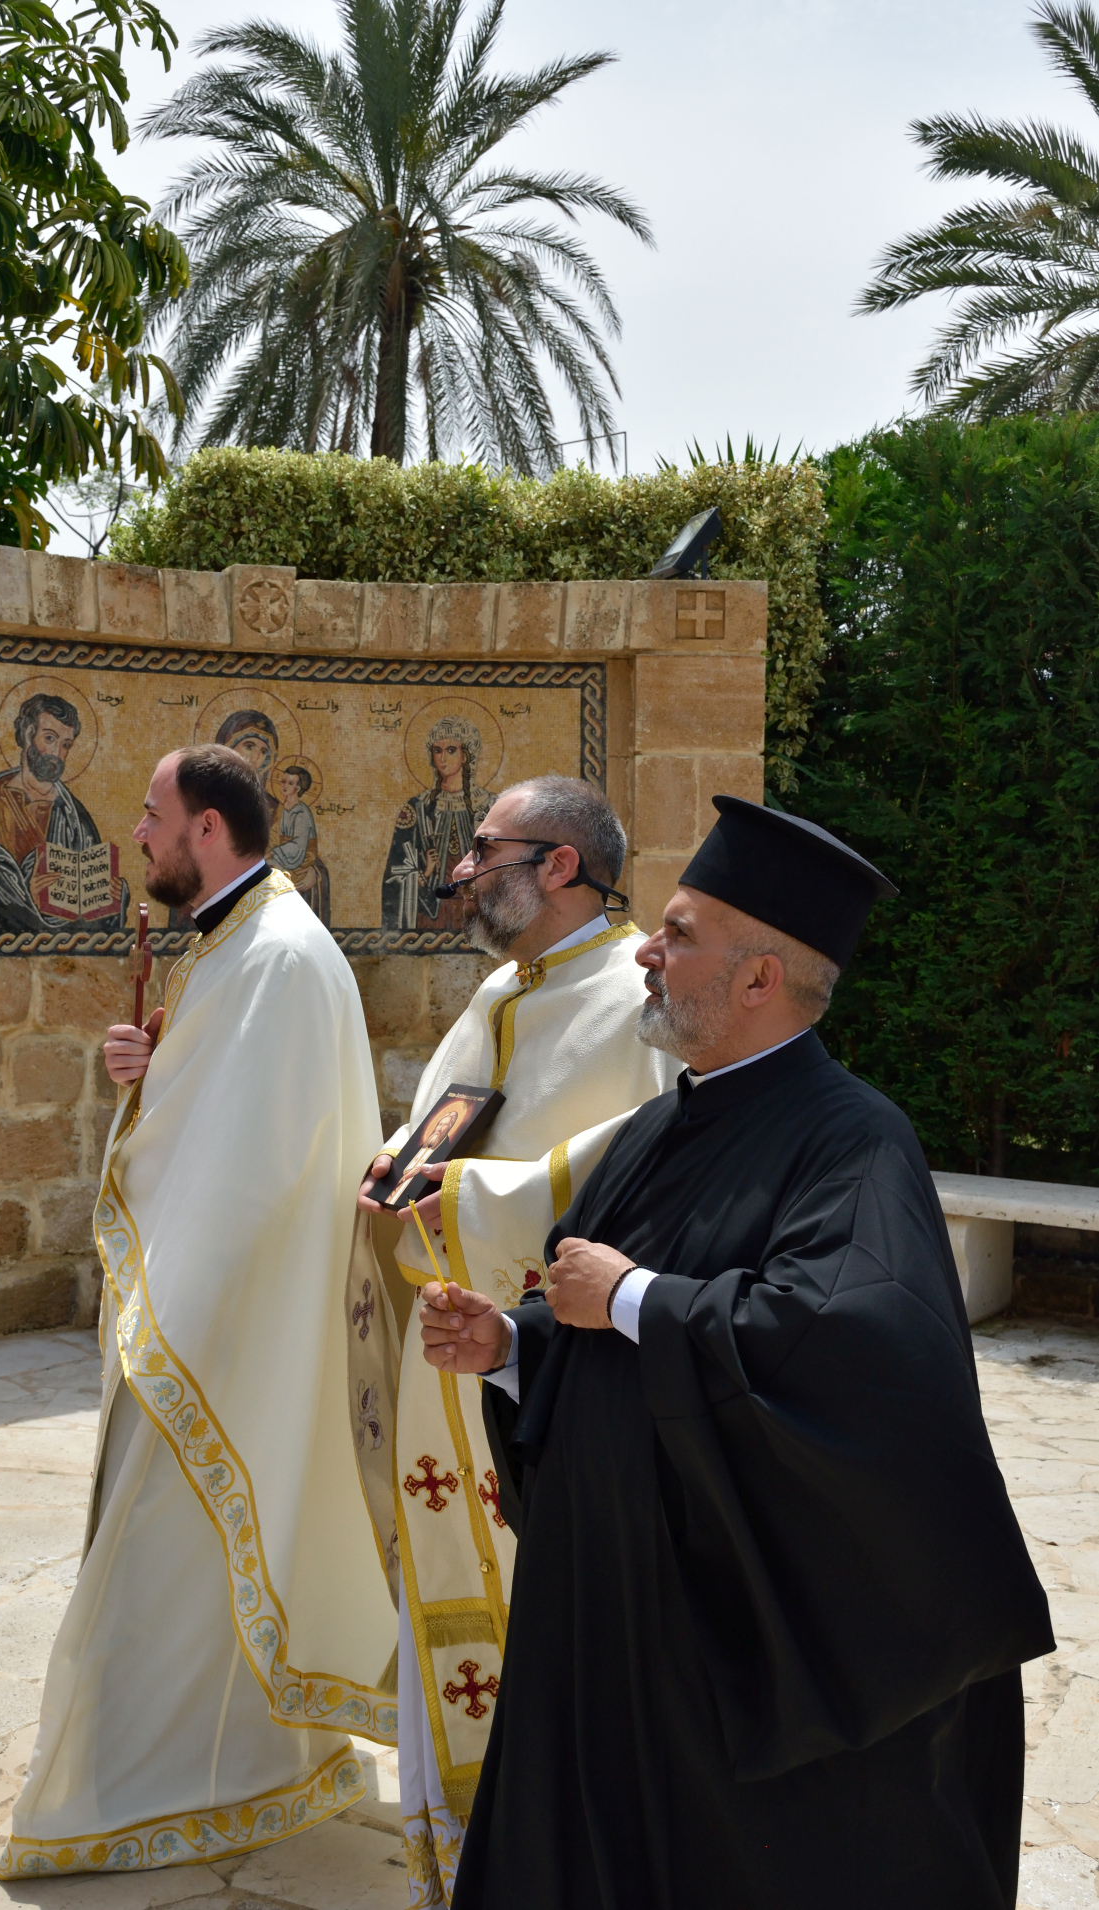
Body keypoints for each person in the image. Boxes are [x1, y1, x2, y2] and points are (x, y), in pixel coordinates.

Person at [421, 795, 1055, 1910]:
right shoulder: (669, 1118)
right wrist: (512, 1344)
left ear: (760, 978)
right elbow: (598, 1314)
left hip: (715, 1643)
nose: (648, 955)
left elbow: (860, 1350)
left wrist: (635, 1297)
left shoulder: (854, 1139)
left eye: (678, 932)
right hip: (601, 1608)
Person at [0, 745, 395, 1883]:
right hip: (202, 1299)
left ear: (208, 828)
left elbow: (259, 1163)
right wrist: (151, 1062)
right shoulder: (234, 937)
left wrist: (168, 1315)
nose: (136, 830)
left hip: (220, 1321)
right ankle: (228, 1766)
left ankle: (141, 1788)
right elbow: (219, 1106)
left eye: (152, 812)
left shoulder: (273, 952)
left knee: (168, 1551)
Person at [348, 775, 680, 1906]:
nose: (462, 866)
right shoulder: (503, 986)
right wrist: (394, 1170)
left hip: (546, 1358)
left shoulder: (636, 994)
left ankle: (542, 1853)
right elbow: (441, 1111)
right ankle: (458, 1849)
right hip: (448, 1331)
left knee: (549, 1606)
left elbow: (635, 1164)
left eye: (486, 848)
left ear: (560, 865)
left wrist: (463, 1198)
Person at [0, 691, 128, 933]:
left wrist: (111, 900)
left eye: (66, 745)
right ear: (28, 734)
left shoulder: (74, 816)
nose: (57, 753)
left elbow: (94, 918)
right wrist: (25, 899)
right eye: (50, 738)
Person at [382, 716, 494, 933]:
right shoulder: (417, 808)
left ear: (465, 755)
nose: (443, 758)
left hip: (477, 912)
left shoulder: (491, 806)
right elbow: (394, 875)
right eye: (437, 750)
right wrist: (424, 873)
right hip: (431, 911)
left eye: (451, 750)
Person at [270, 762, 331, 924]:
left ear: (298, 788)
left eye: (290, 783)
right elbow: (274, 835)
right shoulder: (282, 809)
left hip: (299, 862)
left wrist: (273, 853)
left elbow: (298, 845)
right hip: (282, 859)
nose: (284, 786)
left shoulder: (301, 812)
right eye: (283, 781)